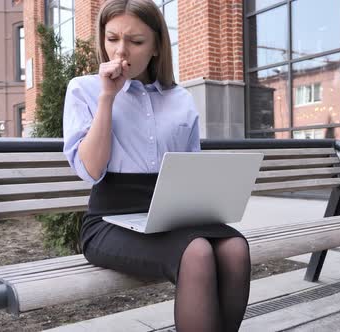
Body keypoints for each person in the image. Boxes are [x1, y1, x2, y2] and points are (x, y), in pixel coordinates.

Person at [62, 1, 251, 331]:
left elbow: (191, 172)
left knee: (235, 247)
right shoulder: (85, 90)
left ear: (156, 47)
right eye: (112, 39)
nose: (121, 52)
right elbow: (91, 171)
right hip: (110, 221)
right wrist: (108, 97)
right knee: (197, 254)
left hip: (170, 216)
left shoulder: (180, 99)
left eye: (136, 42)